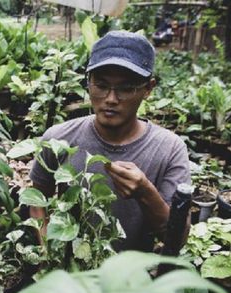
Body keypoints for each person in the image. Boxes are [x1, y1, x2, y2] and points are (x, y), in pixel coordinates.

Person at [29, 30, 191, 252]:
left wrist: (145, 192)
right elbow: (37, 201)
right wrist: (48, 254)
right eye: (102, 85)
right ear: (89, 83)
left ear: (148, 89)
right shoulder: (59, 139)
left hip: (129, 279)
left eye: (126, 88)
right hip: (69, 276)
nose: (111, 99)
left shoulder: (169, 149)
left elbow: (177, 238)